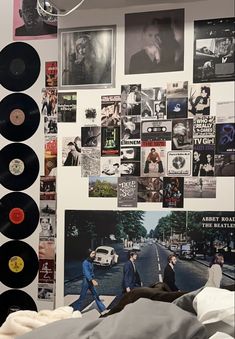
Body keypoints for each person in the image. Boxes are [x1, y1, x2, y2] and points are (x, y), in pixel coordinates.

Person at [73, 249, 107, 314]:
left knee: (96, 295)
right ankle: (76, 310)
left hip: (90, 280)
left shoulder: (91, 262)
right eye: (92, 253)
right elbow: (87, 273)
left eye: (94, 253)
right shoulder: (85, 262)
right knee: (82, 296)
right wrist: (92, 280)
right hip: (86, 281)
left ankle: (103, 309)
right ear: (89, 254)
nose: (94, 255)